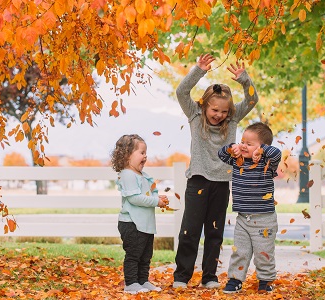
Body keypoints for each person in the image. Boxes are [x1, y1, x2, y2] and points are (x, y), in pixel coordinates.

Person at [173, 53, 259, 289]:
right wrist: (198, 70)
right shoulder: (194, 115)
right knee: (189, 231)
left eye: (223, 111)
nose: (218, 115)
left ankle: (209, 276)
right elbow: (181, 92)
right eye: (214, 110)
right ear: (205, 106)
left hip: (221, 183)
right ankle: (181, 276)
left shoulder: (232, 120)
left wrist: (245, 80)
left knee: (214, 232)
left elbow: (252, 100)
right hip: (198, 181)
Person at [217, 122, 282, 293]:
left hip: (264, 219)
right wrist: (233, 147)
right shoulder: (237, 160)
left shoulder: (267, 162)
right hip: (243, 218)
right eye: (242, 141)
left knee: (263, 253)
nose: (243, 146)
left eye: (249, 143)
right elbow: (221, 154)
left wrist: (262, 150)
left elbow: (277, 153)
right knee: (240, 251)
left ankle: (266, 281)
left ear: (261, 146)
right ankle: (235, 280)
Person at [111, 134, 169, 294]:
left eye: (146, 153)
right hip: (132, 223)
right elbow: (135, 198)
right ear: (127, 154)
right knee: (134, 255)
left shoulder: (142, 175)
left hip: (145, 224)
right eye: (141, 152)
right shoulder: (127, 175)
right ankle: (131, 283)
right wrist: (156, 202)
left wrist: (158, 198)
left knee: (145, 255)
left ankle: (142, 280)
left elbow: (147, 195)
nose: (145, 156)